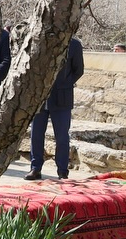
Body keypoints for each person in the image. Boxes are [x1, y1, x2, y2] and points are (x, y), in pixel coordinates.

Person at [25, 36, 85, 181]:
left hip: (62, 97)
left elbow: (79, 70)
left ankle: (62, 170)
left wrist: (64, 83)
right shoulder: (41, 40)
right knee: (36, 134)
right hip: (40, 96)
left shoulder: (74, 44)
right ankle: (35, 168)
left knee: (62, 136)